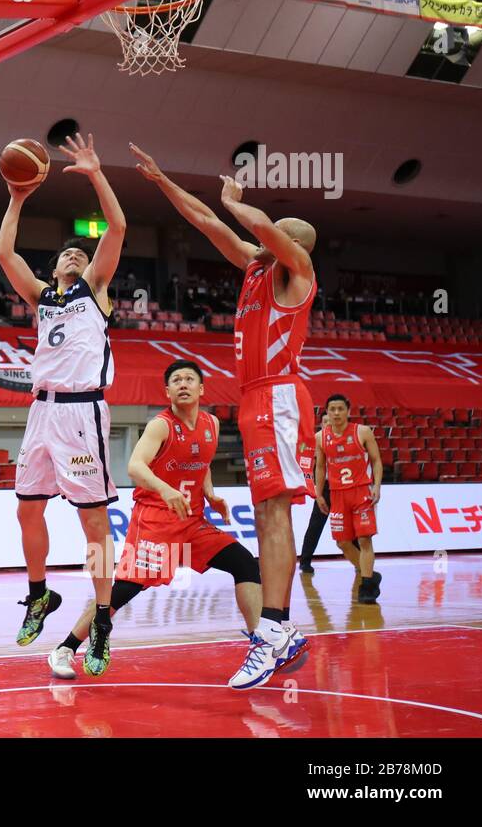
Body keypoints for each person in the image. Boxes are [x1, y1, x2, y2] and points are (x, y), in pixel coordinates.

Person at [133, 143, 316, 685]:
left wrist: (239, 202)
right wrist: (164, 180)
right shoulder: (256, 270)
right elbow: (206, 220)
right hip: (254, 398)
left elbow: (255, 225)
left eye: (273, 235)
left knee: (276, 514)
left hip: (280, 395)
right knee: (265, 516)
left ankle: (275, 628)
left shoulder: (297, 272)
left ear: (289, 245)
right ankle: (275, 630)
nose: (259, 240)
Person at [0, 133, 127, 675]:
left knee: (94, 526)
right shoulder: (43, 298)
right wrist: (18, 196)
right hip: (41, 411)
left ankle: (101, 619)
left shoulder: (93, 289)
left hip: (81, 412)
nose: (75, 253)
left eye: (81, 250)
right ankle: (40, 593)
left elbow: (117, 228)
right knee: (27, 507)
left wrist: (96, 172)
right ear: (53, 271)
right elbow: (5, 252)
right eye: (66, 253)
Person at [48, 361, 267, 687]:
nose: (183, 383)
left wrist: (210, 494)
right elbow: (136, 466)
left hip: (192, 522)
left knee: (245, 564)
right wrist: (165, 489)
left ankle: (261, 643)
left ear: (201, 389)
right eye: (176, 380)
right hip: (155, 522)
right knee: (120, 592)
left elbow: (202, 462)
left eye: (189, 379)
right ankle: (65, 648)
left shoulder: (212, 425)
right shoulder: (160, 426)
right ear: (167, 392)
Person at [314, 393, 384, 603]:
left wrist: (377, 486)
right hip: (337, 494)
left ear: (348, 411)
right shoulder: (320, 437)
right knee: (342, 543)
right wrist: (318, 493)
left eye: (340, 409)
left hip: (361, 491)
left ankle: (367, 584)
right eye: (332, 409)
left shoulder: (362, 431)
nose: (336, 413)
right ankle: (369, 573)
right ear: (327, 412)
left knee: (364, 539)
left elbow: (376, 461)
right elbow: (319, 467)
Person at [299, 413, 334, 574]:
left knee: (350, 527)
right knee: (315, 525)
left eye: (329, 421)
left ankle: (359, 560)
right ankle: (305, 561)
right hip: (324, 486)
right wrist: (316, 490)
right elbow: (311, 464)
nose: (327, 423)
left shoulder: (341, 438)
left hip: (342, 487)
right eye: (324, 421)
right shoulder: (317, 439)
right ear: (321, 423)